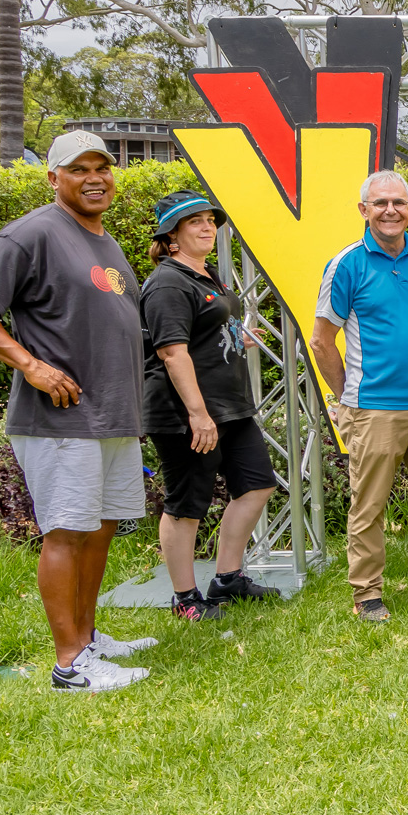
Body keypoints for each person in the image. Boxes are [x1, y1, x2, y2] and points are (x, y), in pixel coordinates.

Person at [0, 129, 155, 691]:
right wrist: (30, 364)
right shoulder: (33, 232)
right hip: (62, 418)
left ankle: (86, 638)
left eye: (102, 168)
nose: (95, 178)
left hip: (111, 415)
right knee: (66, 531)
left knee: (101, 527)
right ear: (53, 177)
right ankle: (70, 666)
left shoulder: (103, 241)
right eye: (79, 169)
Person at [312, 170, 408, 623]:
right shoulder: (347, 264)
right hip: (374, 406)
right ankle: (367, 593)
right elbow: (322, 341)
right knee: (369, 504)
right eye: (380, 203)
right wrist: (347, 399)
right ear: (364, 210)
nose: (390, 210)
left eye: (399, 202)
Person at [141, 191, 279, 622]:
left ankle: (227, 579)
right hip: (186, 412)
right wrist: (198, 415)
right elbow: (172, 353)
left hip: (231, 407)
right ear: (172, 236)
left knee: (258, 484)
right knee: (187, 505)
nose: (207, 227)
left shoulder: (207, 273)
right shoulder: (167, 283)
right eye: (194, 222)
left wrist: (239, 333)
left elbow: (208, 328)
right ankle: (185, 598)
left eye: (209, 220)